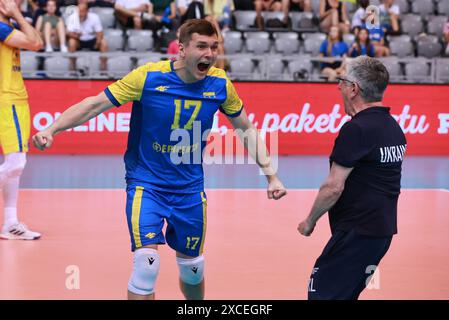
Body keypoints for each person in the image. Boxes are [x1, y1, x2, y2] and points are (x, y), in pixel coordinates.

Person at [32, 19, 287, 300]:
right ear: (181, 49)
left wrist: (271, 174)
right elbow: (95, 104)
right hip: (146, 185)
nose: (210, 54)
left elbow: (246, 129)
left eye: (214, 47)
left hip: (190, 190)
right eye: (201, 46)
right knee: (146, 267)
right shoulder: (148, 78)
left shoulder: (220, 84)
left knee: (193, 271)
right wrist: (52, 128)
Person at [298, 56, 407, 300]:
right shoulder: (393, 127)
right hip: (380, 233)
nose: (339, 86)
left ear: (354, 88)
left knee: (321, 294)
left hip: (357, 234)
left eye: (342, 81)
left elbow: (333, 187)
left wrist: (309, 221)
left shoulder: (356, 129)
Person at [0, 0, 43, 240]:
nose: (16, 2)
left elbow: (37, 38)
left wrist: (16, 15)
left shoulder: (10, 28)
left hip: (16, 98)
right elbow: (36, 43)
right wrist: (16, 14)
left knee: (13, 166)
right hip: (6, 100)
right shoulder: (1, 28)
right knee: (16, 164)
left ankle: (10, 222)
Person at [67, 2, 108, 71]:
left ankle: (103, 70)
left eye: (82, 11)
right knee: (71, 42)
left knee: (103, 42)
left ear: (87, 11)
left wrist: (97, 43)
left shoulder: (94, 17)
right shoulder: (73, 17)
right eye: (79, 11)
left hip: (92, 40)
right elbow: (68, 33)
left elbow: (100, 33)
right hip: (79, 40)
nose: (80, 14)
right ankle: (72, 69)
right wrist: (76, 36)